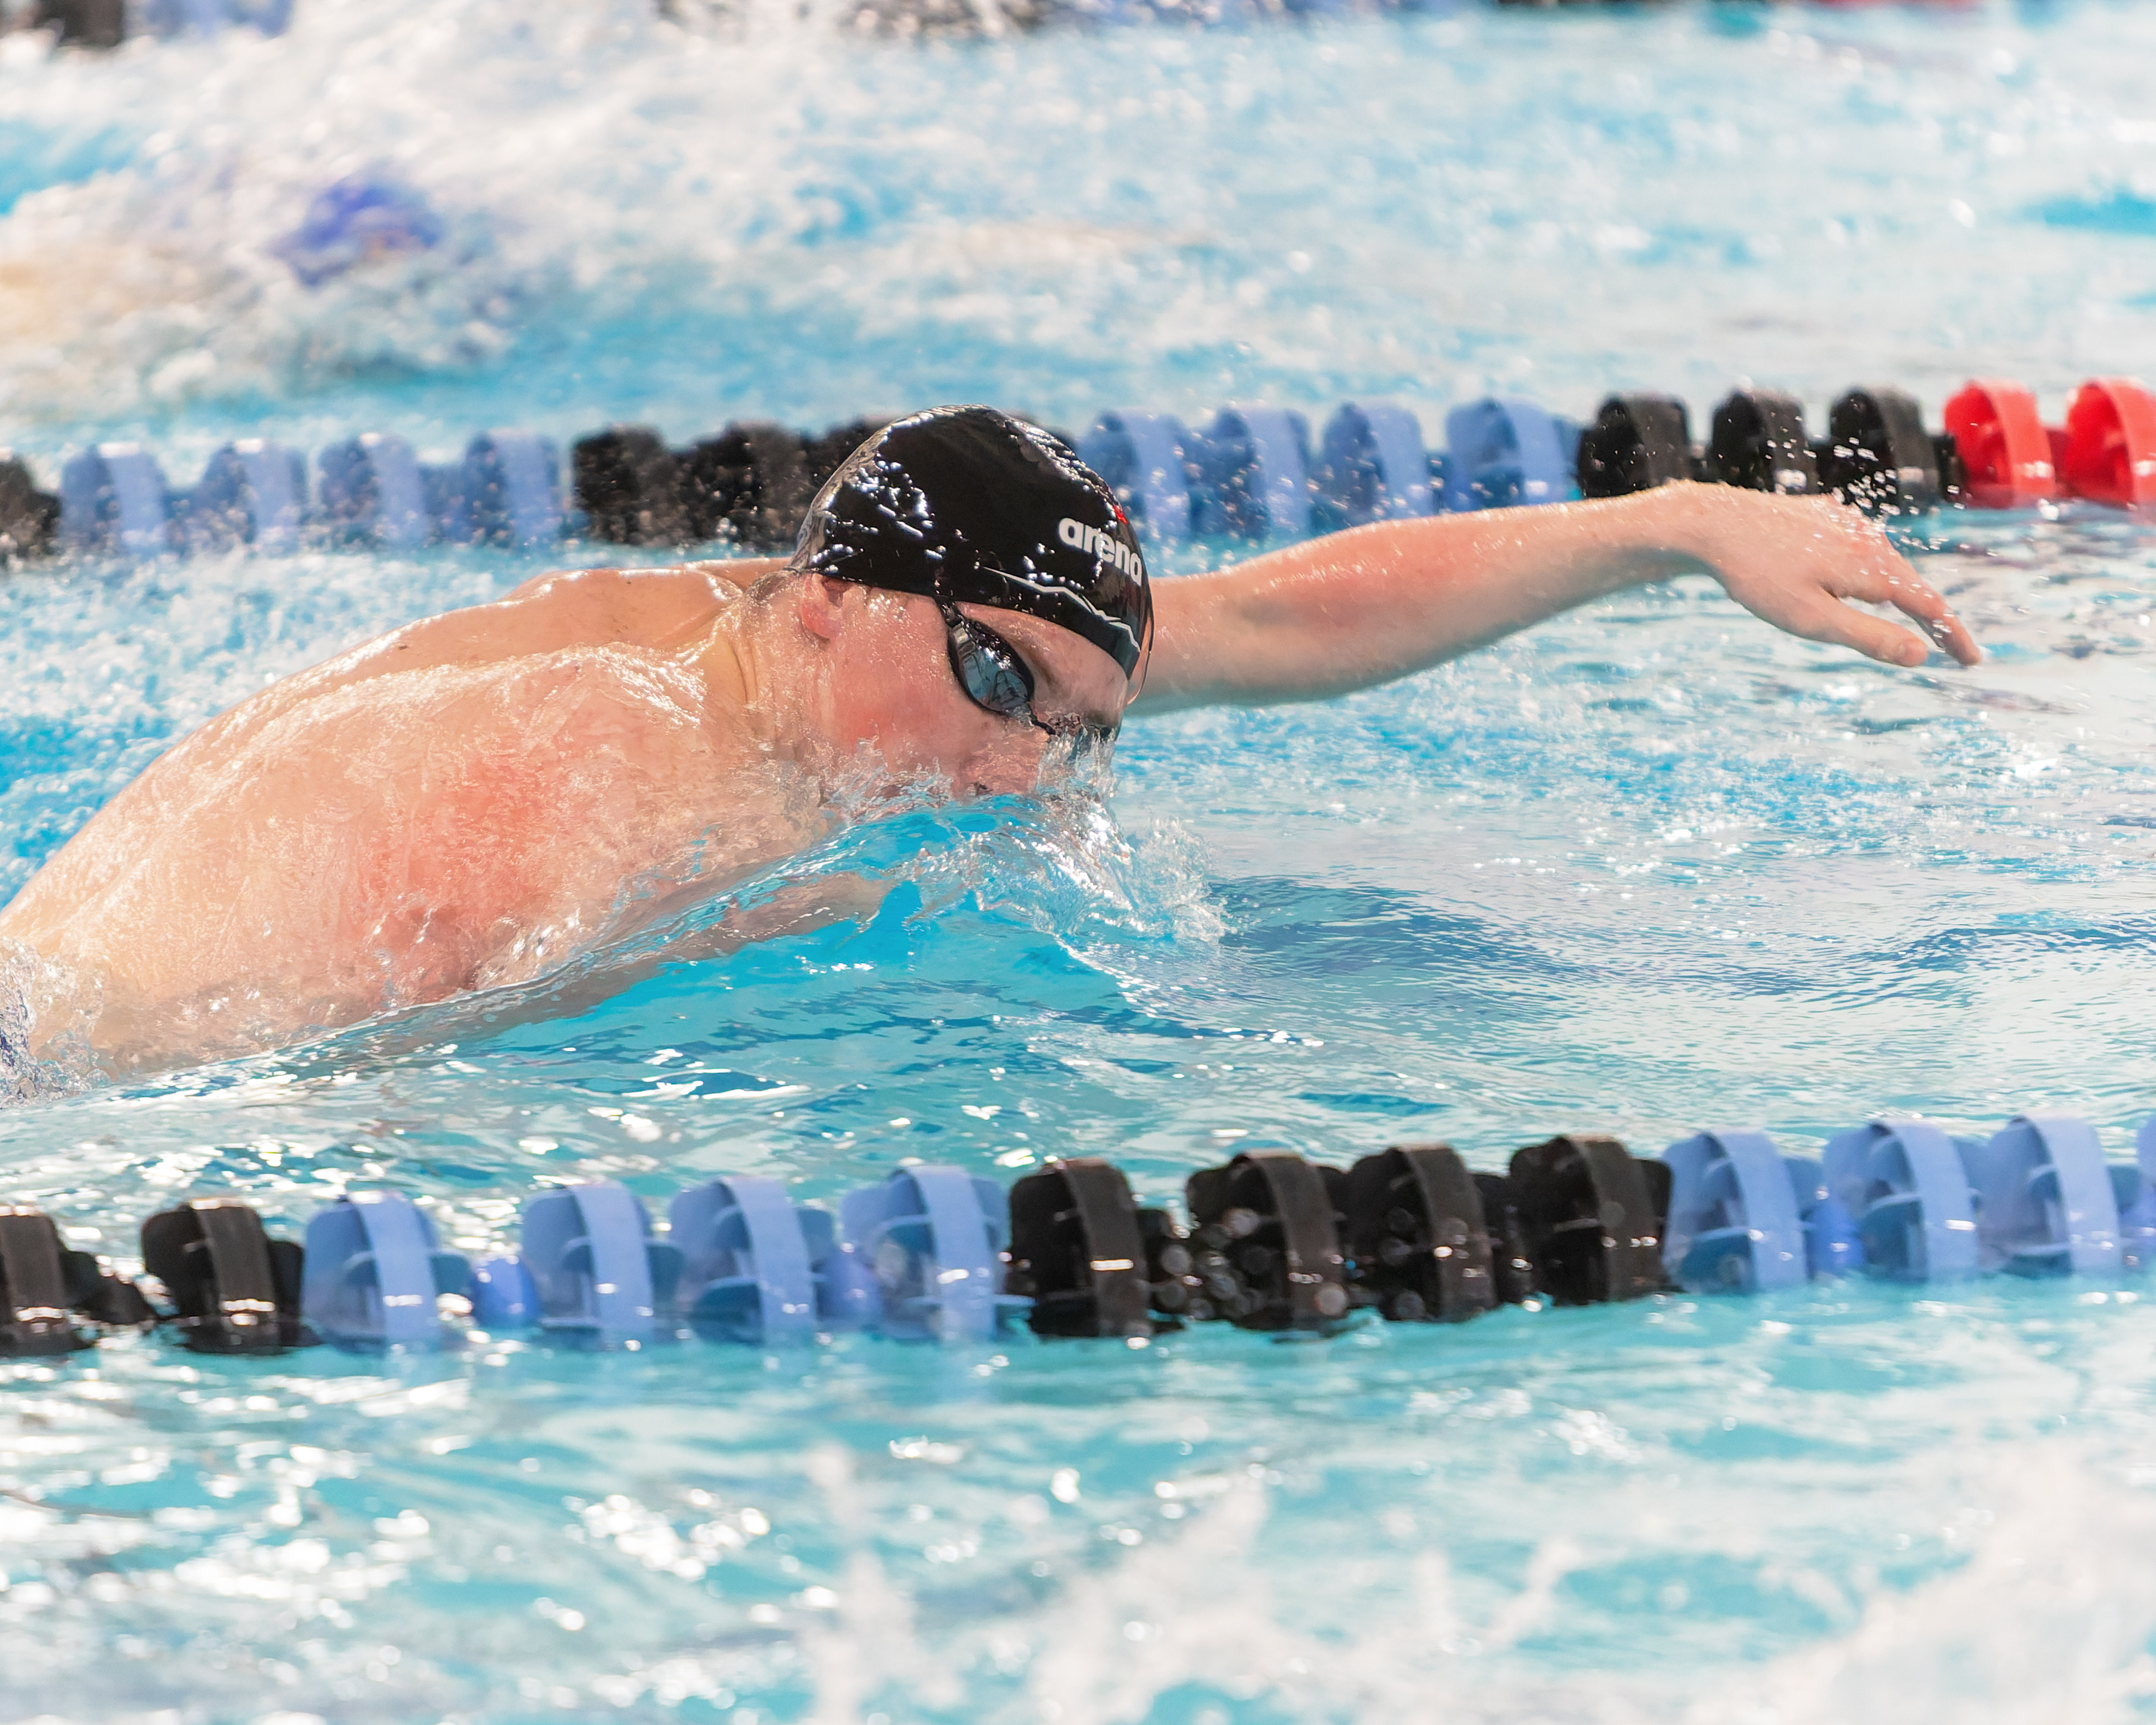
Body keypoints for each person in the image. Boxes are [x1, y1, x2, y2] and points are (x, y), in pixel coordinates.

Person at [0, 404, 1978, 1085]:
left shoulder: (863, 658)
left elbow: (1284, 615)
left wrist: (1667, 526)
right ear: (835, 591)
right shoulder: (584, 758)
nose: (1032, 766)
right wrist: (738, 946)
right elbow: (362, 1080)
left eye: (1086, 734)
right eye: (1013, 692)